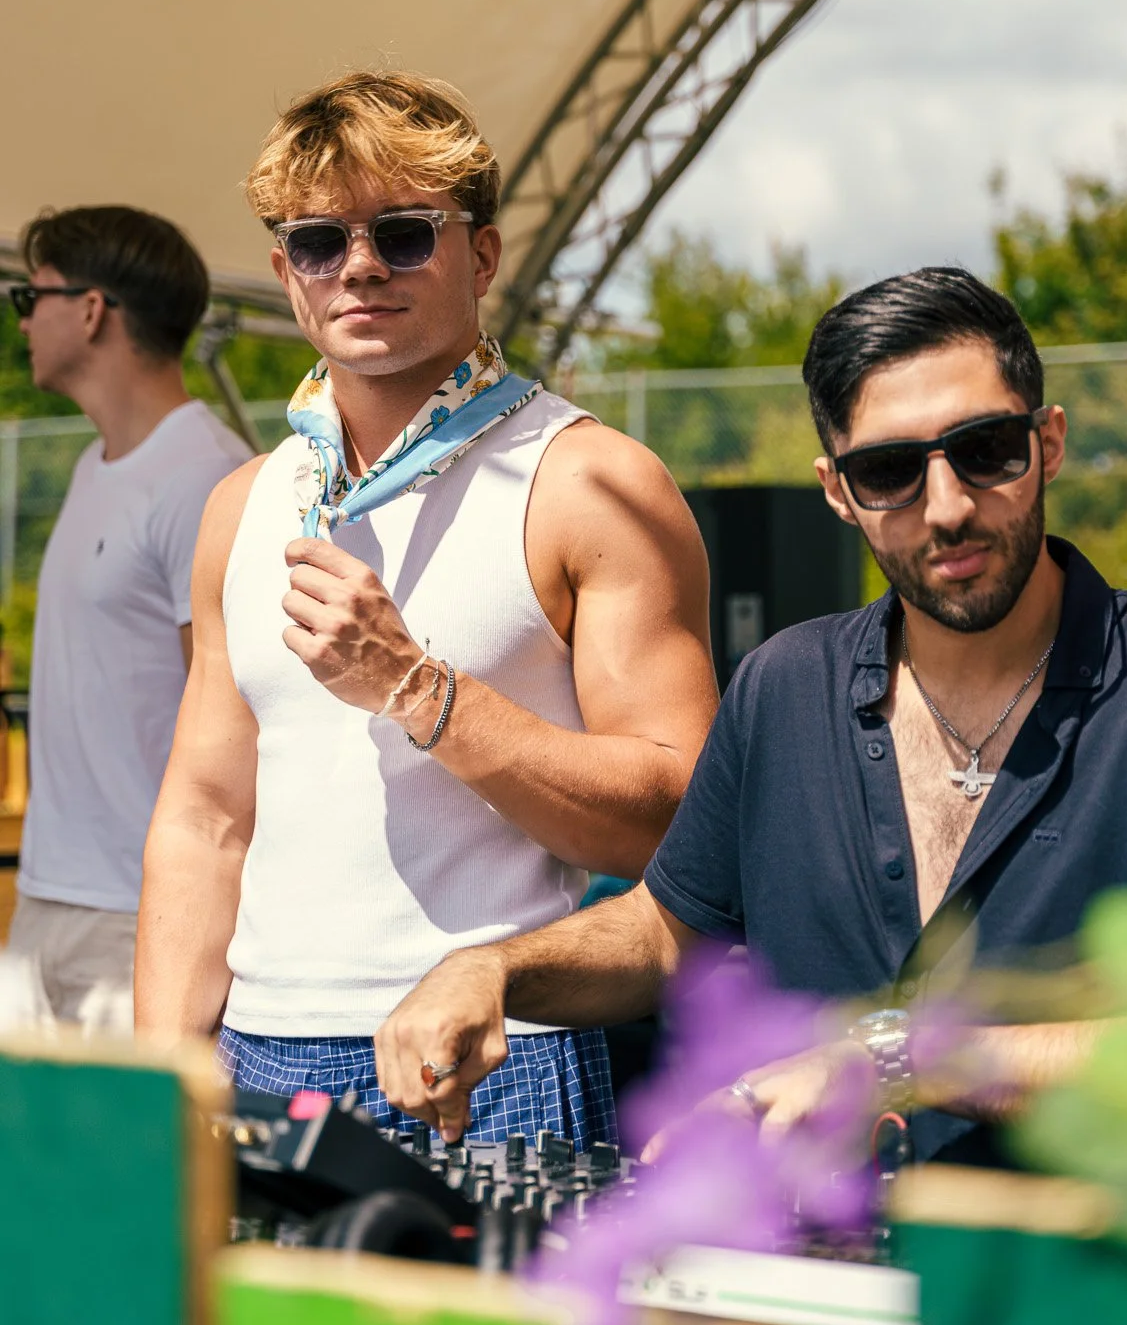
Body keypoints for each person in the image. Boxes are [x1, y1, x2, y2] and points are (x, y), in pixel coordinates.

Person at [371, 268, 1127, 1163]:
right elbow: (665, 931)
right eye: (890, 470)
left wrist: (898, 1060)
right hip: (821, 1283)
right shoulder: (783, 686)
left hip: (1089, 1298)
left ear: (1047, 442)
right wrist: (494, 969)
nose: (946, 506)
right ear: (837, 493)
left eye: (985, 450)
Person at [136, 71, 716, 1148]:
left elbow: (680, 815)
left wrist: (419, 690)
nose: (359, 265)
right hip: (254, 1055)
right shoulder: (243, 505)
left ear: (482, 255)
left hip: (492, 1054)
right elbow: (206, 814)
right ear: (286, 274)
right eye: (319, 242)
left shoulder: (587, 482)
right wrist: (161, 1081)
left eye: (404, 233)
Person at [9, 207, 251, 1028]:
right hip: (51, 904)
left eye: (28, 297)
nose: (22, 320)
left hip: (137, 924)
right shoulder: (95, 464)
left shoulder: (204, 479)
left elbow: (239, 726)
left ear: (89, 309)